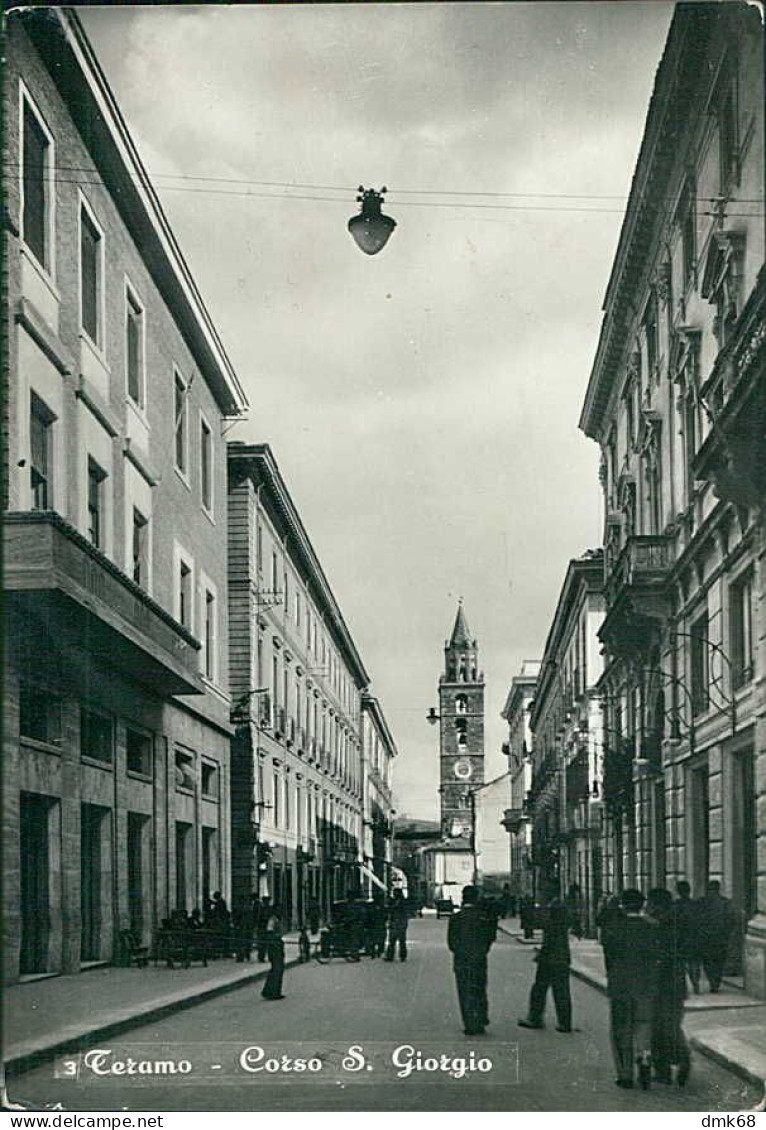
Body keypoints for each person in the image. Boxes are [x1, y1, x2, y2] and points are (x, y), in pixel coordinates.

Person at [602, 888, 661, 1090]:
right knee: (643, 1025)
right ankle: (644, 1057)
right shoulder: (653, 927)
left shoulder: (613, 928)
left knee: (621, 1030)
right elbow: (657, 957)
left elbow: (608, 959)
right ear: (642, 905)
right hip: (646, 984)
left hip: (620, 985)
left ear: (622, 905)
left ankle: (625, 1074)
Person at [647, 888, 691, 1087]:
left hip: (660, 983)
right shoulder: (679, 920)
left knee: (657, 1028)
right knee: (672, 1025)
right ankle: (683, 1060)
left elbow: (656, 955)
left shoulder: (659, 925)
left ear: (658, 905)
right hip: (676, 983)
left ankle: (664, 1071)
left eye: (651, 903)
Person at [447, 885, 496, 1035]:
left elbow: (451, 942)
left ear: (463, 898)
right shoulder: (483, 916)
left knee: (465, 991)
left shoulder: (456, 918)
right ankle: (481, 1018)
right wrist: (483, 951)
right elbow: (490, 937)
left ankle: (470, 1024)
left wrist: (460, 953)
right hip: (479, 958)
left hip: (462, 960)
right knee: (479, 989)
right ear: (476, 898)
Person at [518, 899, 572, 1032]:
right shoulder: (563, 925)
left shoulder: (551, 925)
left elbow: (548, 944)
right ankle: (565, 1022)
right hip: (563, 960)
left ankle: (535, 1018)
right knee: (562, 992)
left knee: (539, 990)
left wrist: (540, 956)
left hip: (549, 961)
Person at [695, 881, 733, 993]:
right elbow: (730, 919)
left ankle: (713, 981)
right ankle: (715, 982)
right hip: (718, 936)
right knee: (718, 960)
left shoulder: (702, 902)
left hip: (708, 936)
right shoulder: (725, 902)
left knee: (709, 960)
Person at [674, 881, 701, 994]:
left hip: (680, 937)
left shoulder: (675, 905)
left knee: (680, 963)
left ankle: (684, 986)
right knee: (694, 962)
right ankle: (695, 983)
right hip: (694, 936)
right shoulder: (695, 905)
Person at [261, 906, 286, 1000]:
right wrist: (275, 941)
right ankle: (272, 992)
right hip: (274, 946)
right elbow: (269, 932)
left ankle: (273, 991)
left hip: (277, 944)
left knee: (278, 968)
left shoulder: (277, 920)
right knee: (277, 968)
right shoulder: (272, 920)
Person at [384, 889, 409, 962]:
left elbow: (391, 910)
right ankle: (392, 955)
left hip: (399, 922)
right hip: (397, 922)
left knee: (399, 940)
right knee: (393, 940)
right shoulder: (396, 901)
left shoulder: (401, 902)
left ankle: (399, 955)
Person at [255, 896, 272, 962]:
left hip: (267, 928)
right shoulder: (261, 908)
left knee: (266, 943)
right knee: (262, 943)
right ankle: (261, 957)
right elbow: (258, 918)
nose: (267, 902)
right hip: (262, 928)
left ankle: (266, 957)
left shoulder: (268, 908)